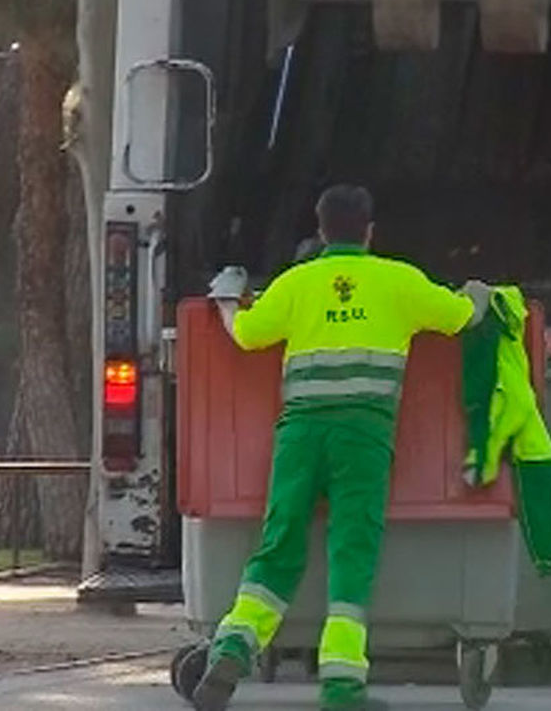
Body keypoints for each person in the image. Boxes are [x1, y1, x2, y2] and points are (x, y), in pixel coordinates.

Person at [196, 184, 490, 711]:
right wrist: (479, 294)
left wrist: (223, 299)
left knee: (279, 543)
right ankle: (341, 685)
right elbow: (463, 318)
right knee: (352, 548)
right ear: (370, 231)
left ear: (321, 230)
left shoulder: (296, 283)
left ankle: (235, 641)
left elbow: (244, 333)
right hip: (364, 435)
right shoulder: (399, 280)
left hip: (301, 432)